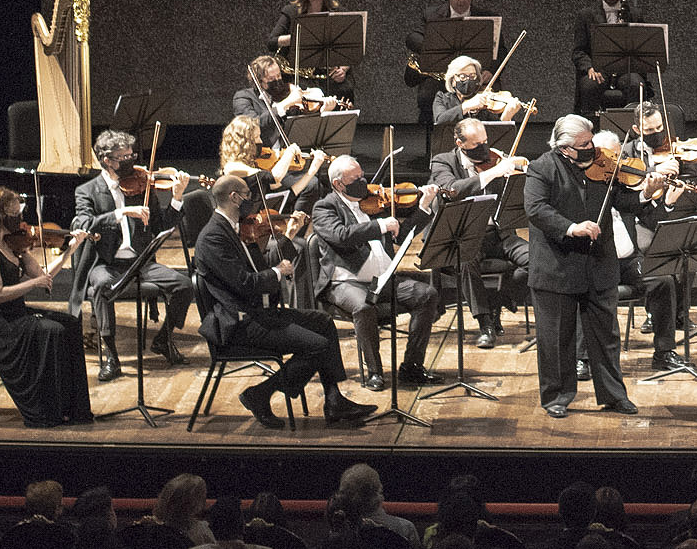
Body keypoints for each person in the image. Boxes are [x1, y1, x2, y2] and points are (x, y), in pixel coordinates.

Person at [523, 113, 677, 416]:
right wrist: (572, 227)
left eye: (591, 142)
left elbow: (624, 201)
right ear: (564, 148)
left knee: (607, 337)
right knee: (557, 339)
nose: (591, 149)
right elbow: (536, 209)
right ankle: (557, 397)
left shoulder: (602, 166)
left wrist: (646, 193)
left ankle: (614, 396)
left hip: (598, 265)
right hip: (557, 267)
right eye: (584, 145)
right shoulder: (542, 169)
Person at [195, 169, 372, 427]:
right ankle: (260, 394)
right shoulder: (214, 237)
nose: (252, 200)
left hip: (259, 313)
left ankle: (334, 400)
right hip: (240, 323)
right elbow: (245, 284)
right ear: (234, 198)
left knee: (323, 323)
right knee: (317, 345)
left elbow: (262, 266)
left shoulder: (239, 229)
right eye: (247, 195)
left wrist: (289, 237)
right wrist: (278, 272)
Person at [312, 153, 444, 389]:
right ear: (338, 184)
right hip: (346, 282)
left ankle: (411, 366)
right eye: (355, 178)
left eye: (362, 175)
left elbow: (401, 236)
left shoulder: (374, 203)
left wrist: (424, 206)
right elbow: (341, 236)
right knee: (364, 307)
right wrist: (380, 225)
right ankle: (374, 371)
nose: (363, 181)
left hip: (381, 280)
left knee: (427, 294)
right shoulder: (325, 207)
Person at [0, 186, 93, 427]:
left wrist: (70, 249)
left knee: (69, 323)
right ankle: (48, 410)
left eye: (20, 213)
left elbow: (43, 275)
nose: (20, 220)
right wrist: (34, 283)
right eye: (15, 214)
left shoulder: (12, 244)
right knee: (53, 331)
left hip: (16, 314)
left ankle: (74, 408)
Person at [67, 130, 187, 379]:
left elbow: (161, 226)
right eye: (123, 157)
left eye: (131, 155)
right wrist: (120, 214)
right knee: (102, 286)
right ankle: (112, 356)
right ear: (107, 160)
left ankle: (163, 339)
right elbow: (85, 224)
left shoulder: (142, 186)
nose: (131, 161)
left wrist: (176, 198)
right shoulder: (87, 191)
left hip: (140, 262)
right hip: (106, 263)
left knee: (184, 285)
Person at [426, 116, 522, 348]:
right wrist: (494, 172)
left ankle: (498, 302)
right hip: (464, 236)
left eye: (485, 141)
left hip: (500, 234)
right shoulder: (443, 161)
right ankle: (485, 323)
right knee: (466, 260)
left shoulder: (496, 159)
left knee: (538, 259)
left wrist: (517, 171)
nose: (484, 148)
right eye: (477, 144)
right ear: (460, 144)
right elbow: (453, 189)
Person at [406, 0, 495, 122]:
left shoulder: (487, 17)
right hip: (442, 75)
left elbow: (500, 49)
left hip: (475, 78)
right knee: (426, 96)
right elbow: (412, 38)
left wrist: (490, 70)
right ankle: (432, 134)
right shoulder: (432, 14)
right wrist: (436, 48)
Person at [575, 0, 653, 113]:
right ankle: (591, 126)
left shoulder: (634, 14)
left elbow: (641, 49)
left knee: (636, 84)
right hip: (598, 69)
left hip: (626, 71)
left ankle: (634, 125)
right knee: (589, 85)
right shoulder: (586, 15)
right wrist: (590, 67)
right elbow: (579, 51)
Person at [280, 0, 354, 98]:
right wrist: (297, 38)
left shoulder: (337, 12)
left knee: (345, 89)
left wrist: (343, 69)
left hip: (327, 74)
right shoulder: (291, 12)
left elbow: (351, 47)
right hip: (298, 74)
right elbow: (272, 41)